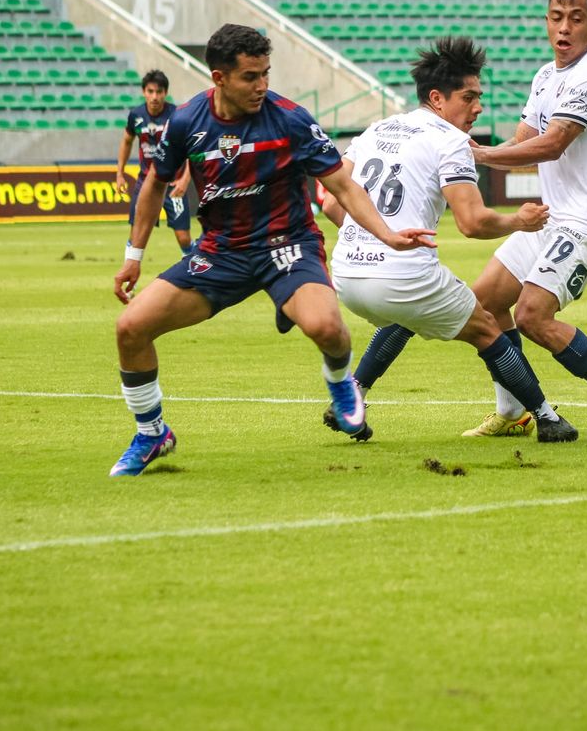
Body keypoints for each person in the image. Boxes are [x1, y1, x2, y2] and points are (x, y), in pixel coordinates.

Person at [108, 24, 435, 476]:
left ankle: (342, 385)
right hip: (220, 253)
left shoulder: (290, 118)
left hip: (288, 246)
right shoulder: (186, 121)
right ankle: (152, 434)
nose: (262, 85)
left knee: (327, 328)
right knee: (130, 328)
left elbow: (342, 182)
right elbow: (154, 185)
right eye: (249, 77)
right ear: (218, 78)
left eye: (265, 73)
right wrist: (134, 255)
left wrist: (388, 234)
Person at [350, 0, 587, 443]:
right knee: (486, 303)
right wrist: (467, 155)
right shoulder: (547, 77)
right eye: (555, 18)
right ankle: (512, 411)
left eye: (575, 19)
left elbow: (551, 146)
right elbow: (525, 142)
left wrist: (478, 155)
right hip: (551, 216)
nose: (563, 28)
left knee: (532, 314)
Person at [323, 37, 578, 442]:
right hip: (401, 275)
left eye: (479, 97)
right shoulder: (451, 140)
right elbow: (473, 223)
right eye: (469, 97)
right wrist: (519, 221)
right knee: (488, 328)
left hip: (348, 276)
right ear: (438, 99)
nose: (478, 107)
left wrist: (368, 236)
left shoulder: (378, 128)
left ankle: (352, 396)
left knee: (402, 318)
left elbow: (330, 198)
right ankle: (546, 418)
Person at [115, 69, 193, 256]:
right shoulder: (136, 115)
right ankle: (129, 281)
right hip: (145, 183)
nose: (155, 97)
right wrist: (119, 173)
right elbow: (127, 141)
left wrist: (185, 180)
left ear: (165, 93)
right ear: (144, 92)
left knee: (183, 237)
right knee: (136, 235)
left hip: (172, 183)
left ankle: (195, 271)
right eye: (150, 91)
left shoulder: (177, 115)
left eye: (159, 92)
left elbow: (192, 149)